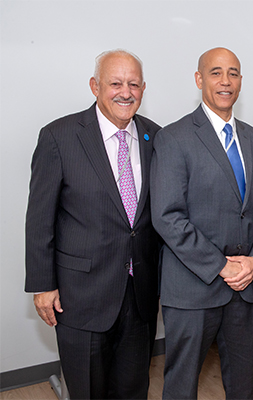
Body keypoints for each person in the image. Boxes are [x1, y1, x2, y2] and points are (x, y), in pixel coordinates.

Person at [25, 49, 161, 399]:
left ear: (144, 88)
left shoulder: (156, 137)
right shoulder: (60, 136)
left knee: (133, 389)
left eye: (133, 84)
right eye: (115, 83)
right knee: (87, 391)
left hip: (139, 294)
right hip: (79, 295)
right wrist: (42, 285)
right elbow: (40, 219)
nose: (125, 92)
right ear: (95, 86)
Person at [150, 47, 253, 400]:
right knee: (182, 384)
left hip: (245, 287)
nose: (225, 81)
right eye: (216, 72)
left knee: (244, 380)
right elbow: (167, 216)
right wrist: (220, 266)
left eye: (233, 73)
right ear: (199, 79)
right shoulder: (174, 138)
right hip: (192, 287)